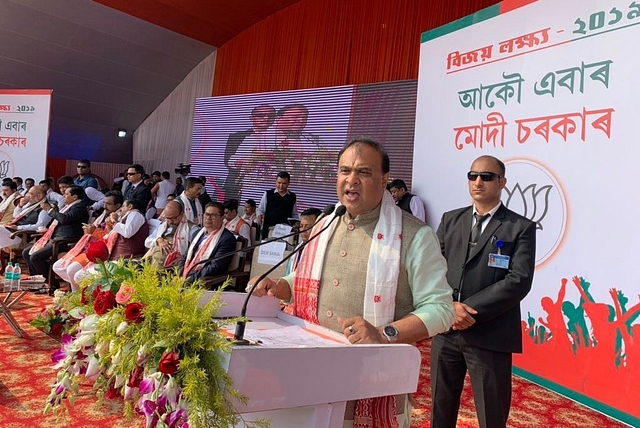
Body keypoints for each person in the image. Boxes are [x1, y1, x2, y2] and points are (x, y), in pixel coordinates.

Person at [249, 137, 454, 427]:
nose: (351, 180)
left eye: (364, 172)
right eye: (345, 171)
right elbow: (306, 281)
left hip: (367, 385)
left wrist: (384, 334)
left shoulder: (415, 236)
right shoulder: (324, 223)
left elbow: (441, 308)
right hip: (306, 374)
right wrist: (278, 286)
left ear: (385, 181)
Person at [431, 155, 537, 428]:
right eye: (473, 175)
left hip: (490, 335)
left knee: (491, 414)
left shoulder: (520, 227)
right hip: (447, 331)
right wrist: (450, 308)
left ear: (501, 182)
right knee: (439, 409)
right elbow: (433, 270)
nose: (478, 181)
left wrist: (467, 310)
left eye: (487, 176)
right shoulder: (451, 219)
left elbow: (518, 280)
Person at [52, 191, 123, 291]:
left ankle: (77, 294)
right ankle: (82, 289)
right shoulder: (104, 214)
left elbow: (111, 240)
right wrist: (89, 231)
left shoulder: (117, 218)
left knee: (71, 271)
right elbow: (94, 229)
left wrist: (94, 232)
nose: (105, 206)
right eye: (104, 203)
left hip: (100, 252)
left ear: (118, 205)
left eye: (108, 204)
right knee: (57, 266)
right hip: (87, 247)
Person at [22, 186, 89, 292]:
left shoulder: (79, 207)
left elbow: (65, 219)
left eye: (66, 194)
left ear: (75, 197)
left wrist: (49, 210)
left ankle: (48, 284)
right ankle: (37, 282)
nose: (63, 196)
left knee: (35, 257)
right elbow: (61, 218)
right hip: (55, 238)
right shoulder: (69, 206)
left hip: (64, 241)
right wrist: (55, 211)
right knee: (26, 252)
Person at [71, 198, 149, 286]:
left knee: (80, 276)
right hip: (114, 260)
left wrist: (114, 221)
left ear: (130, 207)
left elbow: (127, 232)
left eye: (123, 206)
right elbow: (107, 237)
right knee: (79, 275)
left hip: (127, 260)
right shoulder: (124, 219)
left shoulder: (135, 214)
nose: (121, 210)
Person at [224, 105, 277, 200]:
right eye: (261, 115)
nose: (266, 118)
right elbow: (228, 161)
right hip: (236, 186)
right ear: (251, 118)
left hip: (269, 186)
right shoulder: (237, 137)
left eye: (270, 115)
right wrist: (250, 161)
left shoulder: (281, 138)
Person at [177, 202, 236, 286]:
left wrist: (188, 278)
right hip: (185, 276)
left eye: (213, 215)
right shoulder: (197, 233)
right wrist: (179, 273)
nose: (208, 218)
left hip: (203, 281)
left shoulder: (227, 239)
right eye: (207, 214)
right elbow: (185, 257)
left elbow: (216, 267)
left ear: (222, 218)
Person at [143, 200, 196, 269]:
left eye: (174, 218)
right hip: (152, 262)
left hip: (175, 266)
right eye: (168, 218)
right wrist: (158, 240)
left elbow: (195, 252)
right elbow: (147, 242)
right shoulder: (163, 225)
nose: (170, 221)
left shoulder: (192, 229)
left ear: (182, 214)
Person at [256, 171, 298, 240]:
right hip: (268, 229)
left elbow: (294, 214)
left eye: (284, 183)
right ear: (276, 182)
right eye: (279, 183)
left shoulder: (292, 196)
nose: (281, 186)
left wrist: (296, 223)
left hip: (284, 232)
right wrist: (260, 215)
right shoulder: (268, 194)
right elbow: (260, 209)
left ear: (288, 184)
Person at [284, 207, 322, 275]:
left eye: (307, 227)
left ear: (319, 227)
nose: (302, 230)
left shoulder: (322, 250)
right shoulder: (297, 249)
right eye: (301, 226)